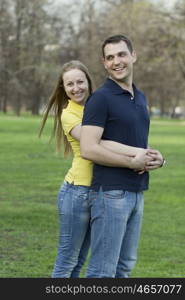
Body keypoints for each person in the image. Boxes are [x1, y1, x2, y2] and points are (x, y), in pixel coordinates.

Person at [39, 60, 155, 278]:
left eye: (80, 82)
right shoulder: (69, 114)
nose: (76, 88)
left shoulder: (97, 105)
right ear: (63, 88)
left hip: (98, 191)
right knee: (68, 261)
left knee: (82, 259)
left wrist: (147, 154)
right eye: (70, 84)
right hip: (76, 192)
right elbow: (97, 143)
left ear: (88, 82)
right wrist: (138, 152)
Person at [80, 35, 165, 278]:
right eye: (110, 57)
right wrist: (131, 161)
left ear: (133, 56)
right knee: (102, 272)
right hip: (110, 195)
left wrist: (158, 159)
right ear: (104, 63)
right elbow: (88, 148)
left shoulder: (139, 97)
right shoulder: (100, 99)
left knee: (123, 269)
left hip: (137, 192)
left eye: (121, 54)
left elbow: (136, 142)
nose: (116, 61)